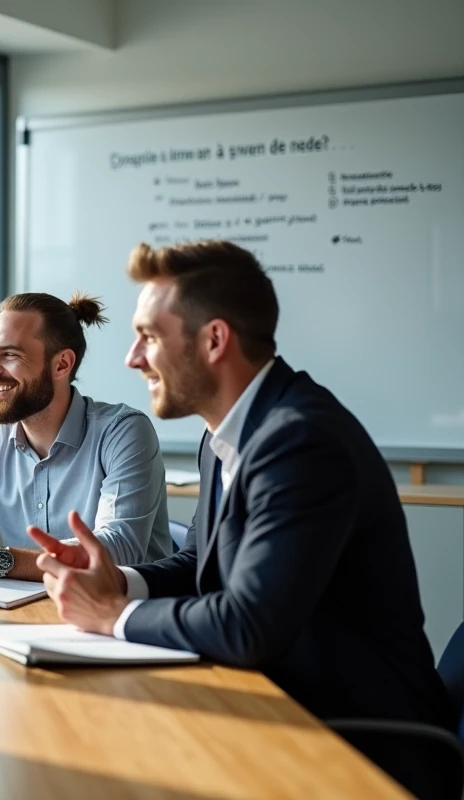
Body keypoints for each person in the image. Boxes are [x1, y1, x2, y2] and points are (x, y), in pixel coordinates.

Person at [30, 240, 454, 798]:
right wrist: (121, 579)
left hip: (355, 745)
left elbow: (247, 625)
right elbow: (201, 563)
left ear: (214, 340)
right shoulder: (226, 434)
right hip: (272, 708)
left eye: (150, 337)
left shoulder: (299, 440)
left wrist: (114, 614)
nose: (132, 358)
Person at [0, 292, 171, 581]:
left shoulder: (123, 431)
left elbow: (119, 549)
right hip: (30, 612)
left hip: (127, 614)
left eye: (9, 354)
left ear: (61, 365)